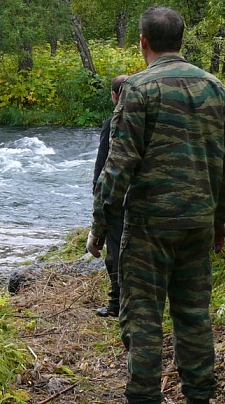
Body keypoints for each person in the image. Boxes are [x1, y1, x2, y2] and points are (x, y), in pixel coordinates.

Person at [88, 7, 225, 404]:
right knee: (193, 316)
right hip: (198, 222)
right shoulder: (214, 88)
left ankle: (144, 397)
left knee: (144, 320)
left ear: (143, 42)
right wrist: (220, 218)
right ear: (181, 40)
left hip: (150, 227)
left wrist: (100, 226)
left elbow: (118, 165)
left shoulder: (138, 88)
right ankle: (200, 397)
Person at [92, 74, 129, 318]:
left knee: (115, 254)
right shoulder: (151, 122)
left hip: (117, 199)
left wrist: (97, 207)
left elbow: (102, 168)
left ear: (114, 96)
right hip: (145, 199)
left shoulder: (112, 124)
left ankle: (117, 303)